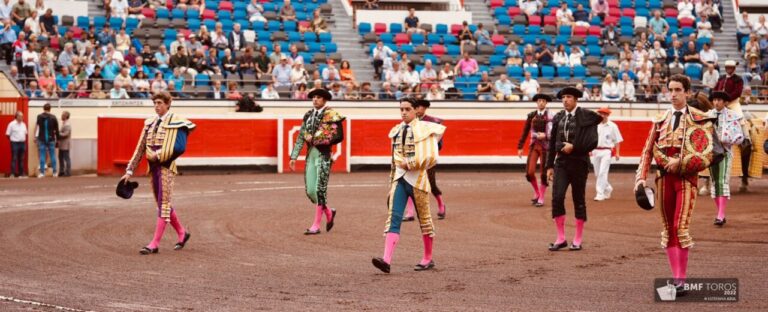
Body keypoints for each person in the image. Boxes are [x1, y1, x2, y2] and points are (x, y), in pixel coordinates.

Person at [636, 75, 717, 292]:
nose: (673, 94)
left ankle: (682, 279)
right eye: (670, 90)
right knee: (668, 228)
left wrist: (680, 162)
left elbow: (707, 154)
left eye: (678, 90)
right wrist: (641, 178)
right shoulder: (660, 120)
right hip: (663, 180)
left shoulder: (700, 119)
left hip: (686, 178)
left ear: (687, 92)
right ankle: (676, 277)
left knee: (680, 227)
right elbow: (646, 151)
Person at [372, 97, 446, 274]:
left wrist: (410, 164)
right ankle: (386, 260)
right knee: (393, 218)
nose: (404, 112)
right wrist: (392, 181)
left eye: (407, 109)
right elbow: (394, 160)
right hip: (400, 178)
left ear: (415, 111)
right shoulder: (396, 130)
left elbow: (431, 157)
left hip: (418, 180)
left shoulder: (426, 129)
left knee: (425, 220)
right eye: (401, 109)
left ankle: (428, 258)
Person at [121, 92, 195, 255]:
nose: (157, 106)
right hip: (153, 168)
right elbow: (140, 148)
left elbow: (180, 147)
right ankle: (182, 232)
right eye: (155, 103)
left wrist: (159, 155)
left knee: (163, 204)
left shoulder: (178, 122)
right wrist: (129, 170)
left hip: (166, 167)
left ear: (168, 103)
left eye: (160, 103)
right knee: (163, 203)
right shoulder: (150, 123)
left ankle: (154, 243)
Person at [546, 87, 601, 251]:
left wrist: (574, 147)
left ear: (576, 99)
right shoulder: (558, 117)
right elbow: (552, 143)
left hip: (579, 162)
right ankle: (561, 238)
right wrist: (549, 165)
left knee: (578, 199)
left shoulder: (587, 116)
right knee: (557, 198)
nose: (565, 100)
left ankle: (577, 238)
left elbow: (593, 142)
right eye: (563, 97)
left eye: (568, 97)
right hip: (561, 162)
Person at [289, 88, 345, 235]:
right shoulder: (308, 115)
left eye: (318, 97)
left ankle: (316, 225)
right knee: (310, 191)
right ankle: (328, 212)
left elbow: (339, 136)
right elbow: (301, 136)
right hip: (311, 155)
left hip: (324, 155)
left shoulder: (332, 114)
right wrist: (294, 156)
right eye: (313, 97)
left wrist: (320, 139)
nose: (315, 100)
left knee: (319, 190)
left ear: (325, 100)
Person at [402, 99, 447, 220]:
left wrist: (431, 146)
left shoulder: (432, 122)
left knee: (431, 184)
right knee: (410, 183)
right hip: (414, 156)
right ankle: (410, 212)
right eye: (416, 107)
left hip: (427, 158)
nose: (418, 109)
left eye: (420, 107)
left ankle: (441, 205)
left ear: (425, 109)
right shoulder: (411, 122)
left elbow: (439, 135)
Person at [707, 92, 744, 226]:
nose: (716, 102)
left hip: (725, 152)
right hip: (711, 153)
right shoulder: (708, 115)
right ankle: (720, 212)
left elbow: (740, 135)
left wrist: (728, 139)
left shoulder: (733, 115)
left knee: (722, 181)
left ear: (725, 102)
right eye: (714, 100)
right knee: (715, 182)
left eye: (719, 100)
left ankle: (721, 215)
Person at [518, 93, 555, 207]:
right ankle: (537, 192)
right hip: (534, 145)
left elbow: (554, 132)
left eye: (543, 101)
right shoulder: (531, 115)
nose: (541, 103)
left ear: (546, 103)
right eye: (539, 101)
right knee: (530, 173)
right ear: (536, 102)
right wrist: (520, 147)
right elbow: (525, 131)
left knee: (544, 173)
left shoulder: (551, 116)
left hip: (546, 147)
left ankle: (542, 197)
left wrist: (546, 136)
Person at [590, 107, 623, 201]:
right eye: (600, 113)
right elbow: (591, 139)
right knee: (597, 173)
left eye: (604, 113)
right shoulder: (595, 125)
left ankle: (600, 193)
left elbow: (617, 141)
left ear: (607, 115)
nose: (602, 115)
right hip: (595, 151)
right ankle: (608, 188)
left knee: (602, 172)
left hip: (607, 151)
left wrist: (617, 153)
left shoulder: (613, 126)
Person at [34, 103, 58, 177]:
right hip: (51, 139)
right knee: (52, 155)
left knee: (42, 155)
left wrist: (35, 136)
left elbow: (37, 127)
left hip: (42, 138)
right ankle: (54, 172)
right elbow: (56, 129)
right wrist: (57, 139)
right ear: (50, 109)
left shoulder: (39, 116)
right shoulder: (53, 117)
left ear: (43, 108)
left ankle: (42, 173)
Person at [5, 111, 26, 177]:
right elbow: (7, 134)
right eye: (20, 116)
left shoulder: (23, 124)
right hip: (14, 143)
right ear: (16, 116)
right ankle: (12, 173)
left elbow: (25, 133)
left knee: (21, 159)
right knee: (14, 158)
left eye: (22, 116)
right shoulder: (11, 124)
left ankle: (21, 173)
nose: (22, 117)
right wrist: (12, 140)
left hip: (22, 143)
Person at [57, 111, 71, 177]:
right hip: (62, 144)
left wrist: (57, 133)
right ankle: (61, 171)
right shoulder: (64, 123)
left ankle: (68, 172)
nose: (61, 116)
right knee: (60, 158)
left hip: (65, 144)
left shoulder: (67, 124)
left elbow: (66, 134)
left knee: (66, 158)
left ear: (65, 116)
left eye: (62, 115)